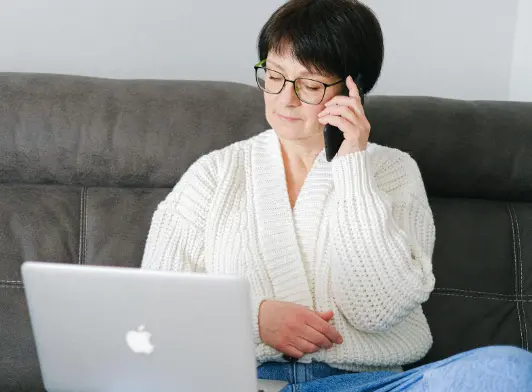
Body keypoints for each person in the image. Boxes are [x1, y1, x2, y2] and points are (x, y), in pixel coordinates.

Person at [141, 0, 532, 390]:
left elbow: (377, 311)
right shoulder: (213, 175)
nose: (285, 99)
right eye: (274, 76)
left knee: (508, 371)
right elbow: (151, 309)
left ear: (352, 90)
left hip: (363, 385)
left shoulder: (392, 172)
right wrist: (253, 319)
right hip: (243, 382)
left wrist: (351, 169)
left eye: (309, 85)